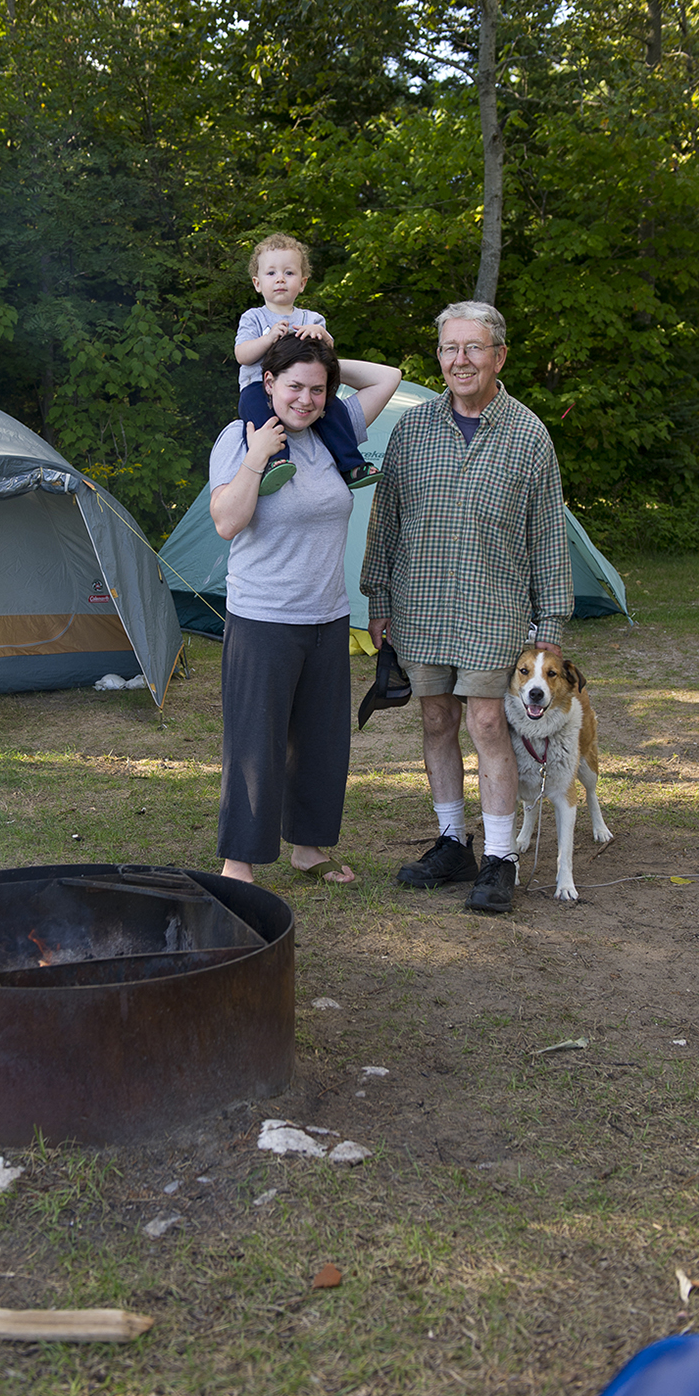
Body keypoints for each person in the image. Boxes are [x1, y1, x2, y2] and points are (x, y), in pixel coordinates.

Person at [360, 300, 573, 915]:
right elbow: (388, 520)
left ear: (498, 355)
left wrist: (551, 621)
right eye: (450, 348)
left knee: (485, 724)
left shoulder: (529, 434)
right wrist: (379, 596)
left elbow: (548, 538)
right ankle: (454, 843)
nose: (460, 360)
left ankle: (500, 857)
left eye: (473, 348)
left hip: (492, 607)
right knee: (435, 722)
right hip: (421, 604)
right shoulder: (412, 429)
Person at [211, 332, 401, 884]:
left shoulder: (333, 430)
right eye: (294, 386)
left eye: (318, 389)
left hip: (326, 615)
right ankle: (239, 860)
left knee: (321, 740)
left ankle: (310, 848)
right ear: (267, 383)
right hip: (263, 617)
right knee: (256, 744)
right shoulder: (241, 435)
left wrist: (322, 346)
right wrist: (255, 459)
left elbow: (386, 376)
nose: (306, 400)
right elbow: (227, 521)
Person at [235, 233, 381, 496]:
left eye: (289, 272)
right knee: (259, 415)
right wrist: (268, 339)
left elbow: (326, 358)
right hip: (257, 387)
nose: (280, 278)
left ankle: (352, 465)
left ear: (302, 283)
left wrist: (323, 337)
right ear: (257, 283)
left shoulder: (312, 317)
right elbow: (242, 355)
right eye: (271, 273)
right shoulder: (253, 317)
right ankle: (275, 462)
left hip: (304, 388)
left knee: (333, 409)